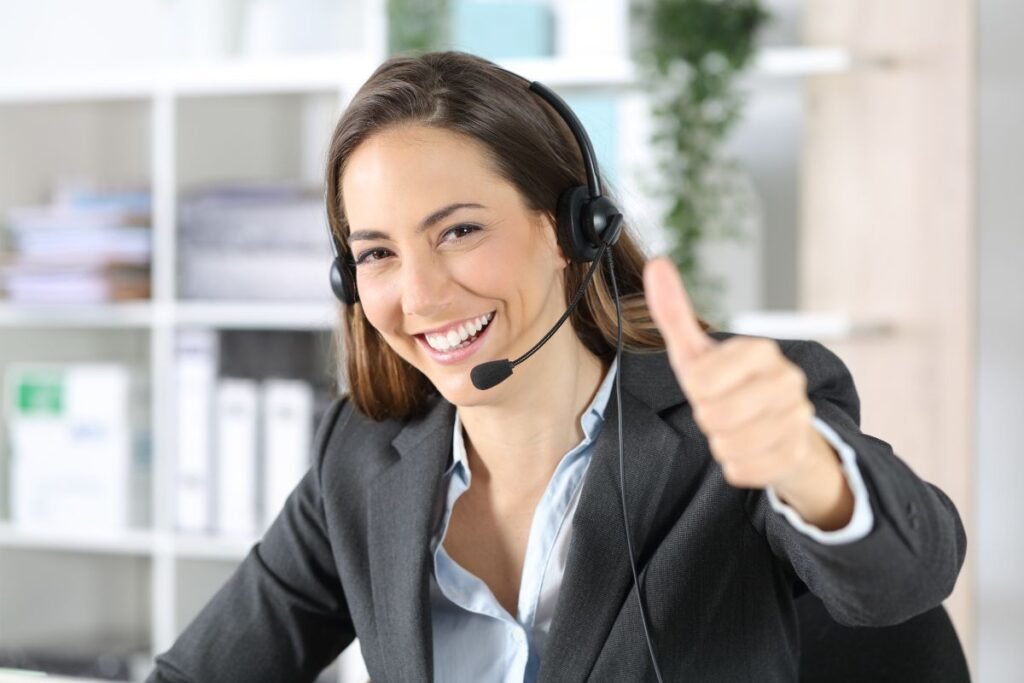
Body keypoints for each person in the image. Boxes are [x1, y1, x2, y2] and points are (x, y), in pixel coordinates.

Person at [148, 51, 966, 682]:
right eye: (377, 253)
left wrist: (806, 468)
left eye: (459, 231)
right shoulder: (362, 459)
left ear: (569, 231)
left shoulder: (733, 418)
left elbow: (905, 578)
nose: (422, 293)